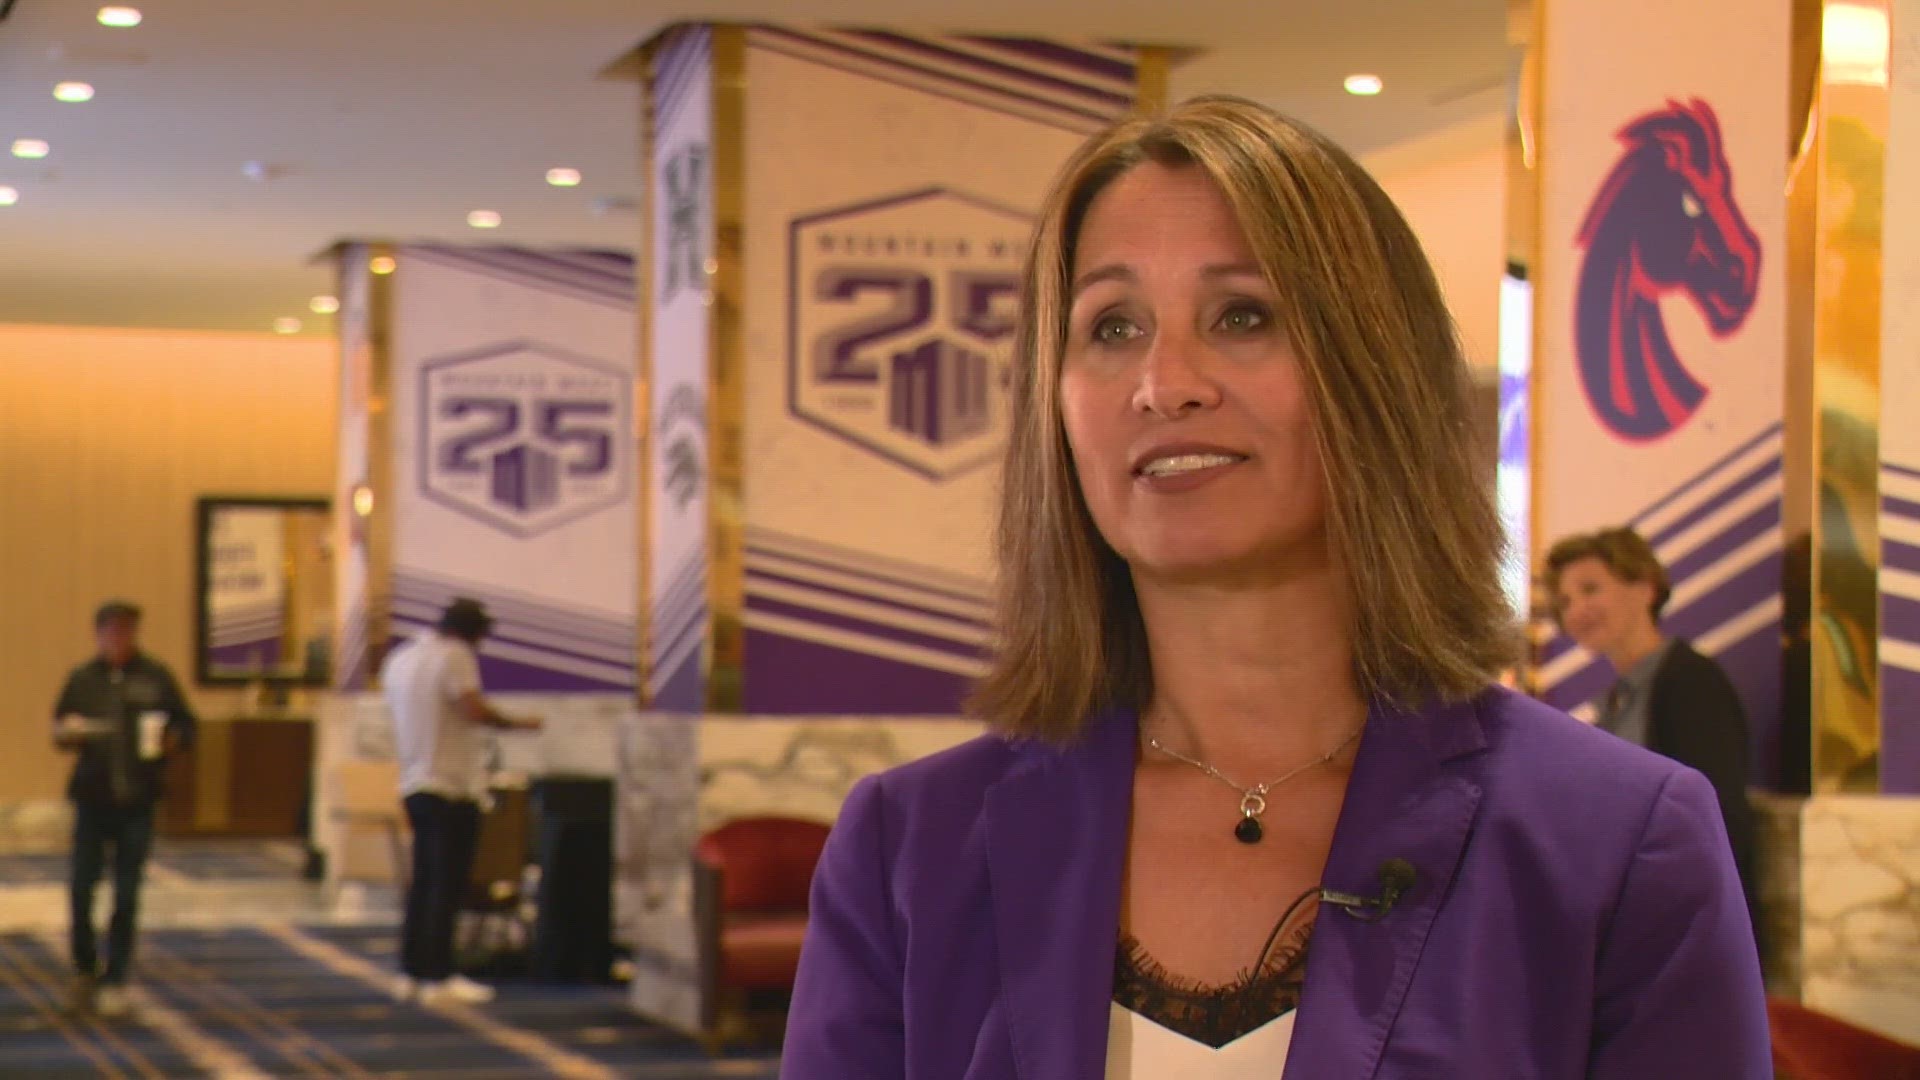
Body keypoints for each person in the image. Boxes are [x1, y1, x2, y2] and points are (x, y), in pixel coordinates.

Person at [782, 96, 1768, 1078]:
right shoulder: (909, 850)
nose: (1164, 383)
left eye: (1242, 315)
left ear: (1375, 374)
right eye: (1112, 326)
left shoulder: (1616, 842)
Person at [1545, 526, 1760, 937]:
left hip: (1690, 928)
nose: (1575, 611)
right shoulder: (1614, 700)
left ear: (1645, 587)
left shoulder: (1690, 680)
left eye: (1590, 590)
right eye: (1565, 601)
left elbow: (1717, 822)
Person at [381, 597, 540, 1005]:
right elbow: (471, 708)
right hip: (452, 786)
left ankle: (412, 971)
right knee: (447, 886)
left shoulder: (402, 658)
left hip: (414, 781)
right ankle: (439, 976)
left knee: (423, 883)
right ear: (473, 633)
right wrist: (519, 725)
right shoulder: (455, 655)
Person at [52, 600, 198, 1018]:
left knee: (128, 891)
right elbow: (60, 728)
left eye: (126, 631)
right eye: (111, 632)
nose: (119, 639)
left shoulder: (156, 678)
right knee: (81, 885)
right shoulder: (82, 680)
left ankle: (117, 975)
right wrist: (68, 734)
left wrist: (174, 740)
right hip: (92, 798)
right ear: (98, 635)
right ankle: (84, 965)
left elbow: (187, 726)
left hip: (139, 799)